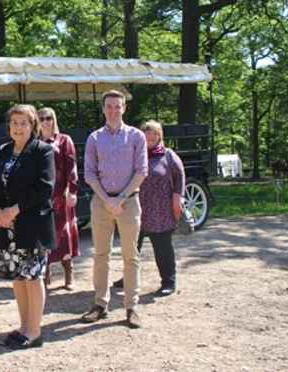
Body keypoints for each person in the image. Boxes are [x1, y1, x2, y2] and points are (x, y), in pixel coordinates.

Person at [0, 104, 54, 349]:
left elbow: (45, 187)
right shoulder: (2, 151)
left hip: (31, 225)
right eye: (14, 122)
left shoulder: (42, 151)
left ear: (33, 125)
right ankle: (24, 326)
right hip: (6, 226)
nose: (18, 127)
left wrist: (13, 210)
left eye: (23, 122)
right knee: (19, 277)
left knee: (33, 277)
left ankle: (34, 332)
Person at [81, 90, 148, 329]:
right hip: (101, 203)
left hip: (128, 202)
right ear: (103, 108)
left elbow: (141, 171)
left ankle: (131, 307)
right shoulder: (94, 138)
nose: (113, 110)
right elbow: (89, 173)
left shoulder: (136, 136)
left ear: (124, 108)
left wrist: (120, 197)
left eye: (117, 106)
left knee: (131, 256)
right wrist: (107, 199)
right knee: (101, 255)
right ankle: (100, 304)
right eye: (109, 106)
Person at [113, 120, 185, 296]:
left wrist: (178, 197)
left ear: (160, 136)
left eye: (154, 134)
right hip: (135, 208)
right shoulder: (135, 155)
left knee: (163, 249)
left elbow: (180, 176)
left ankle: (169, 281)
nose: (150, 137)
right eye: (147, 134)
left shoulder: (168, 155)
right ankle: (128, 278)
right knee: (131, 248)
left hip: (161, 211)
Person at [37, 107, 80, 290]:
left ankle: (69, 275)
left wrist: (72, 191)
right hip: (41, 197)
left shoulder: (64, 140)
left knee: (64, 234)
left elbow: (71, 166)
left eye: (49, 118)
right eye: (42, 118)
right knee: (44, 235)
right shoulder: (34, 142)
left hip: (61, 195)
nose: (46, 121)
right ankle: (45, 276)